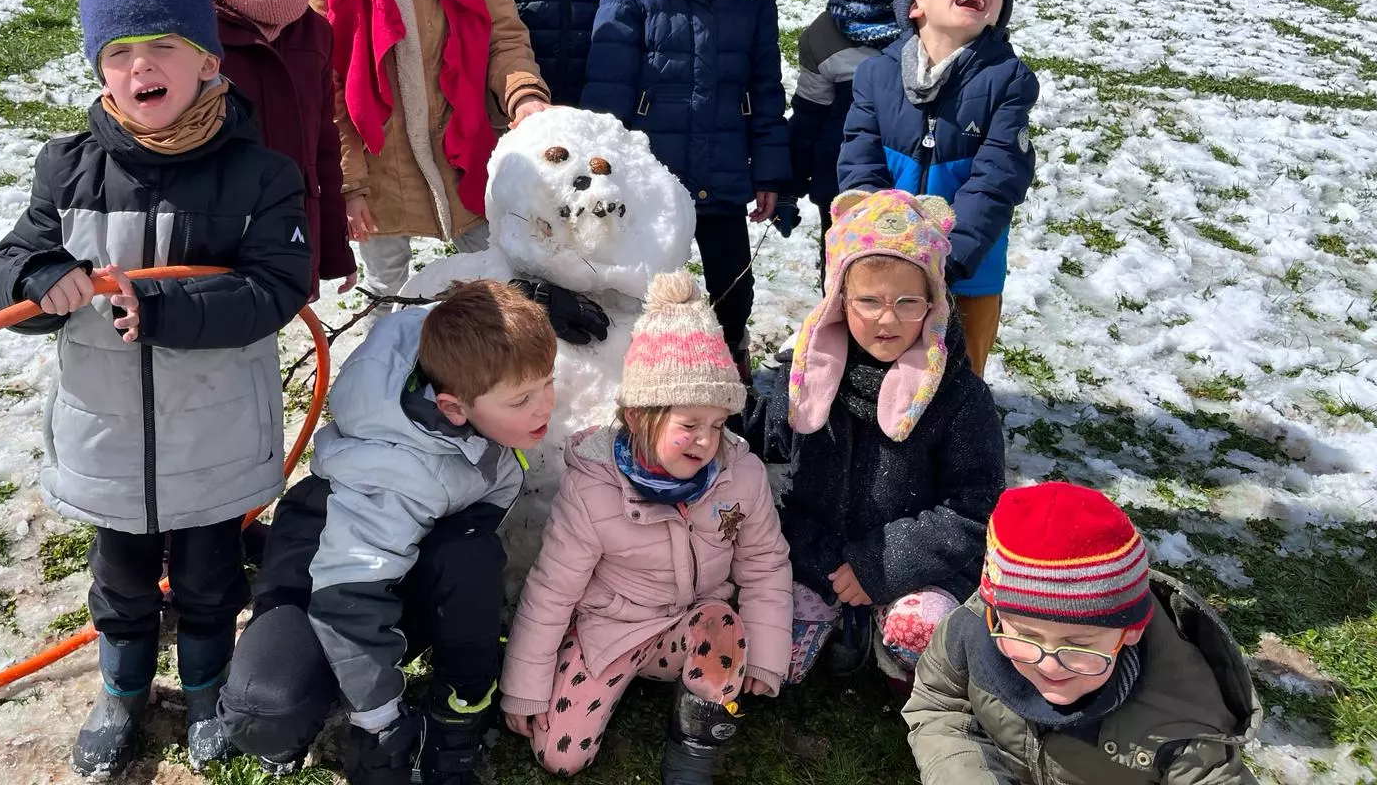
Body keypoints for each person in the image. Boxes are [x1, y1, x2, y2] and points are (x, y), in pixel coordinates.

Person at [0, 0, 312, 777]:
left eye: (162, 47)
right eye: (118, 53)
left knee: (209, 579)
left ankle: (204, 688)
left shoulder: (260, 175)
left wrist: (164, 308)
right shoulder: (67, 169)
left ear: (206, 60)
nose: (141, 68)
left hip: (215, 434)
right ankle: (123, 690)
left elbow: (277, 288)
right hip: (110, 436)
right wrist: (33, 277)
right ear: (100, 72)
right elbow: (6, 275)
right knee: (121, 583)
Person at [216, 280, 557, 784]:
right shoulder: (401, 475)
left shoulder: (456, 361)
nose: (545, 406)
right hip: (327, 586)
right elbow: (348, 603)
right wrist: (379, 726)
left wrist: (535, 292)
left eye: (549, 382)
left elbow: (467, 313)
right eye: (523, 398)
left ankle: (456, 719)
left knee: (470, 558)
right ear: (454, 409)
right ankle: (298, 707)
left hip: (394, 561)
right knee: (266, 708)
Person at [500, 271, 791, 783]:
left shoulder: (739, 474)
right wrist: (524, 685)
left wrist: (768, 654)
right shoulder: (594, 487)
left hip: (693, 626)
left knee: (721, 625)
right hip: (612, 629)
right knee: (560, 757)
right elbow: (552, 589)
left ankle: (696, 738)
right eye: (689, 425)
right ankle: (588, 676)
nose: (705, 441)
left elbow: (764, 562)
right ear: (638, 417)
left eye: (718, 424)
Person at [741, 188, 1004, 695]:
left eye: (907, 302)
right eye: (869, 301)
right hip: (814, 555)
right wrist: (706, 405)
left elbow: (978, 506)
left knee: (922, 632)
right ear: (839, 299)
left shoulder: (959, 397)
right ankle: (839, 626)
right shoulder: (812, 373)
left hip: (908, 568)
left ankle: (895, 653)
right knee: (772, 656)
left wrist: (884, 563)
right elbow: (764, 435)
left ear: (934, 303)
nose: (887, 319)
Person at [308, 0, 551, 301]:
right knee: (385, 292)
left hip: (465, 150)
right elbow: (326, 85)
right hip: (379, 167)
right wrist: (350, 186)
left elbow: (504, 35)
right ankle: (383, 377)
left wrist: (524, 96)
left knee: (500, 277)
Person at [582, 0, 787, 379]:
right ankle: (645, 375)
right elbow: (609, 79)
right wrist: (607, 166)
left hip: (722, 172)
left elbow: (764, 80)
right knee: (647, 289)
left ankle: (725, 370)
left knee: (731, 293)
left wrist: (769, 170)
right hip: (653, 172)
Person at [905, 481, 1262, 783]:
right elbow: (940, 706)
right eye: (1026, 637)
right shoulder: (969, 633)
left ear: (1131, 631)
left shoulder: (1180, 711)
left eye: (1078, 646)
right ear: (995, 615)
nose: (1050, 666)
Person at [836, 0, 1037, 377]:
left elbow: (997, 178)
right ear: (916, 3)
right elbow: (859, 161)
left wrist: (948, 259)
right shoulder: (877, 75)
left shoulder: (1008, 81)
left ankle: (959, 442)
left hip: (968, 270)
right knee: (874, 367)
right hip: (883, 262)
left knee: (959, 374)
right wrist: (879, 249)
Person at [174, 0, 356, 299]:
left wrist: (331, 243)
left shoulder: (313, 32)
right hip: (208, 253)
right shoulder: (184, 32)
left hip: (287, 238)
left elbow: (321, 143)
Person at [787, 0, 922, 257]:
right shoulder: (823, 36)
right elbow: (808, 119)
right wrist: (789, 185)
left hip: (921, 192)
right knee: (845, 285)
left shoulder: (936, 23)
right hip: (843, 190)